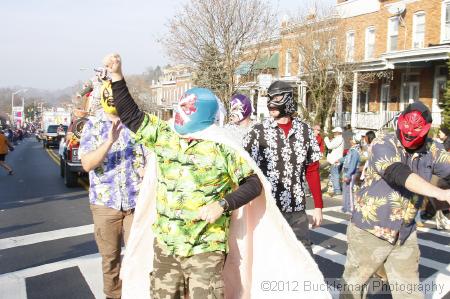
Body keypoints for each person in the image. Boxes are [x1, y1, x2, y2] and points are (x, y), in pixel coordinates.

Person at [105, 54, 264, 298]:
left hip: (206, 248)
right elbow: (132, 117)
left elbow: (253, 184)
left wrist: (222, 204)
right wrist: (117, 76)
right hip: (167, 247)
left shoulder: (222, 147)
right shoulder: (166, 136)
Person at [340, 101, 450, 299]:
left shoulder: (433, 149)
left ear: (425, 129)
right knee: (353, 288)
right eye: (406, 126)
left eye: (416, 129)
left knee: (409, 293)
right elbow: (398, 173)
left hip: (405, 233)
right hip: (369, 231)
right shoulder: (383, 143)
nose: (409, 133)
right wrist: (441, 194)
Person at [79, 81, 146, 299]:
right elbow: (87, 164)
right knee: (110, 259)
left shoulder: (136, 123)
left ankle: (135, 293)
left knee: (138, 254)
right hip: (106, 205)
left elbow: (145, 161)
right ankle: (113, 296)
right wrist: (109, 141)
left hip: (135, 203)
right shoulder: (93, 125)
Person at [243, 80, 323, 256]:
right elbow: (244, 171)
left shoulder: (305, 131)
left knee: (303, 258)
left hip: (297, 210)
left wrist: (318, 206)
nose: (271, 103)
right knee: (269, 259)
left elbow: (312, 169)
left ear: (288, 99)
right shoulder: (257, 132)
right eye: (269, 98)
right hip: (267, 209)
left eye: (277, 97)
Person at [340, 135, 360, 214]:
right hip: (347, 170)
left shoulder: (355, 151)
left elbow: (353, 164)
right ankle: (345, 207)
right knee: (345, 188)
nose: (350, 140)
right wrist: (339, 160)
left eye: (351, 139)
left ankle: (350, 208)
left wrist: (348, 175)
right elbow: (346, 158)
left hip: (351, 172)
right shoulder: (351, 150)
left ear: (355, 141)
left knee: (349, 190)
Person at [324, 127, 344, 196]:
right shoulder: (338, 139)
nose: (334, 133)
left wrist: (326, 139)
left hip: (335, 161)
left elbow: (329, 146)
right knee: (334, 175)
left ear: (338, 132)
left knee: (335, 175)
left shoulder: (339, 139)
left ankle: (337, 190)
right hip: (335, 160)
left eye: (335, 132)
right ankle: (335, 189)